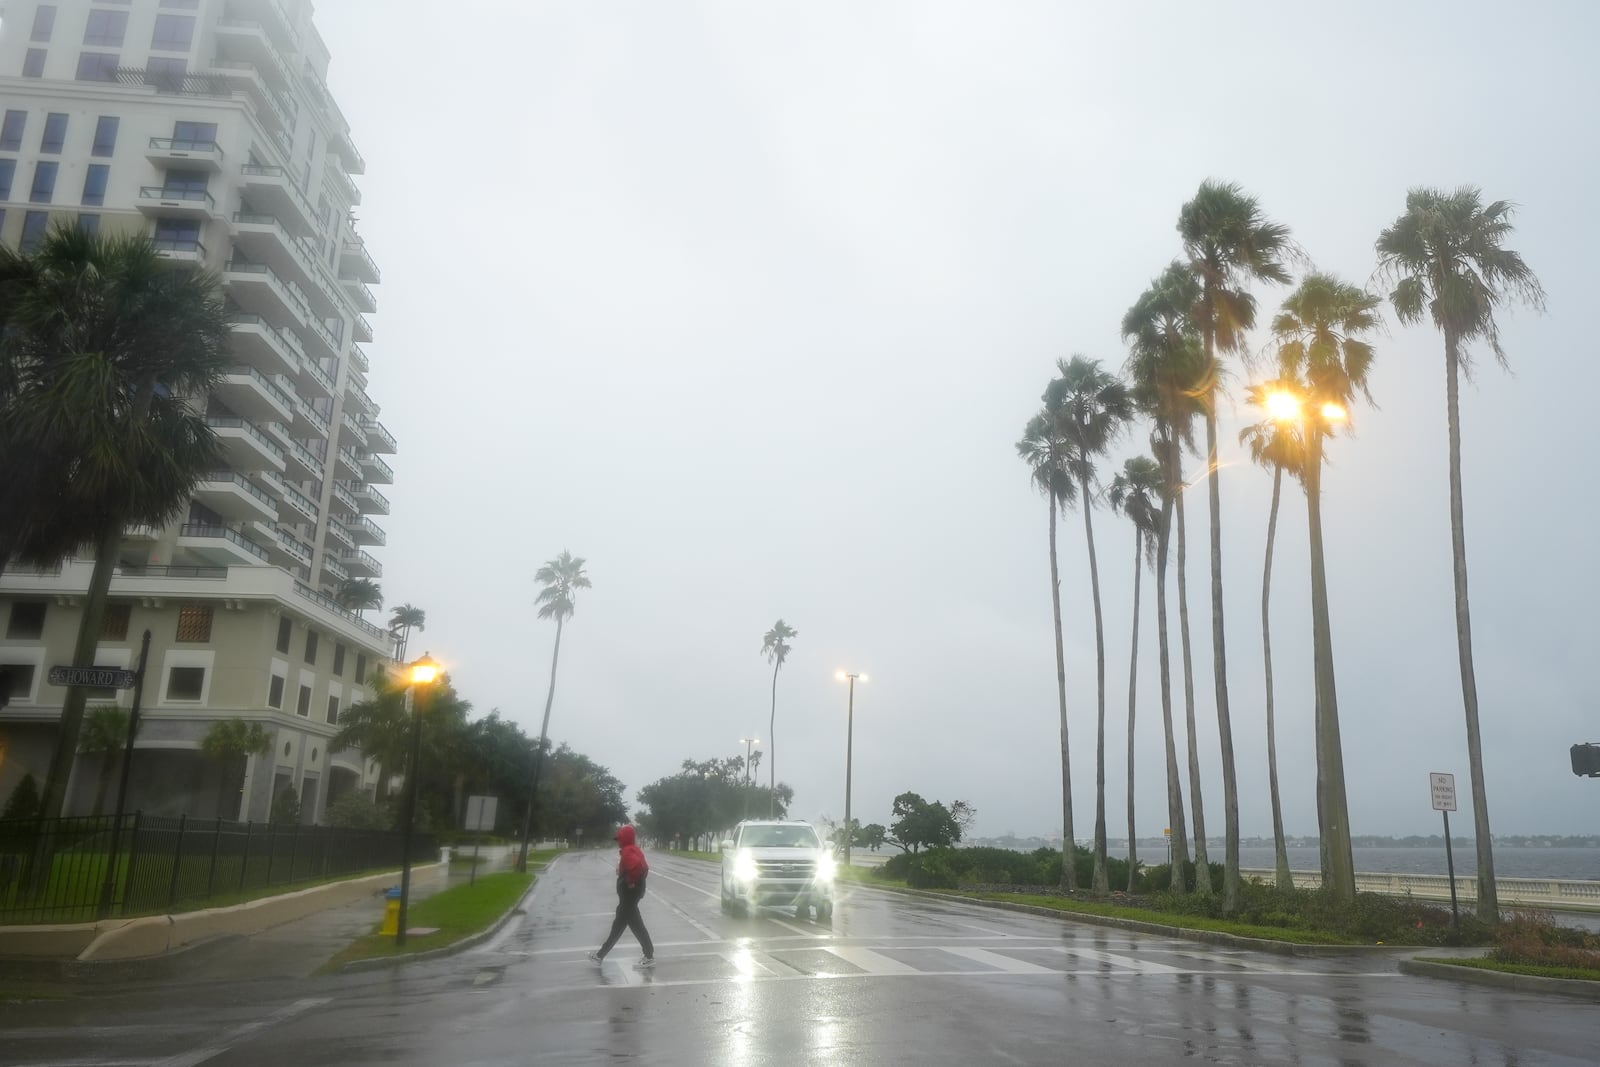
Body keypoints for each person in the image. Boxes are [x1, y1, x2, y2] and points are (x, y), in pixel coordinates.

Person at [588, 825, 654, 967]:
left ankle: (601, 956)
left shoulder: (628, 851)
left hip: (629, 895)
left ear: (625, 839)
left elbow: (637, 866)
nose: (618, 842)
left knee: (626, 926)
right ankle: (600, 955)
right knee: (628, 925)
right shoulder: (634, 850)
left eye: (619, 839)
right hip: (631, 896)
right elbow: (645, 868)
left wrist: (631, 881)